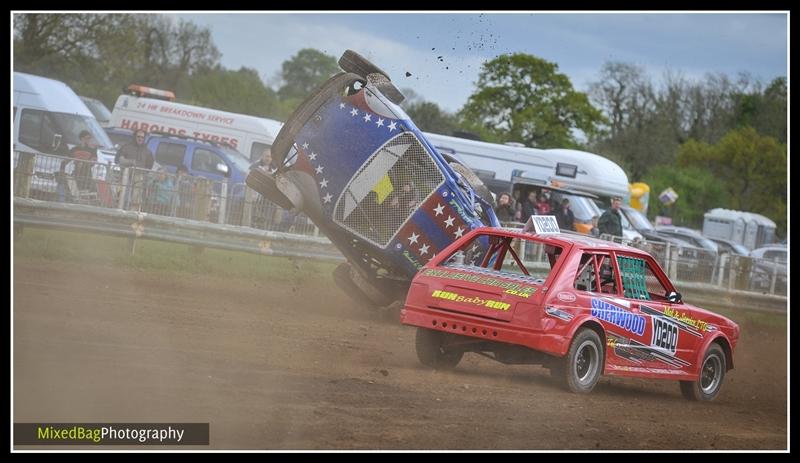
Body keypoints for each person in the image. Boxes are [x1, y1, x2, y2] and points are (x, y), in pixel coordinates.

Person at [57, 130, 97, 201]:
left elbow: (93, 162)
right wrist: (61, 171)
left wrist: (84, 163)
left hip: (87, 175)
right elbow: (65, 161)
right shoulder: (75, 149)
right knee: (74, 193)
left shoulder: (92, 150)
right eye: (87, 138)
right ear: (82, 138)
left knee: (85, 193)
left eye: (89, 138)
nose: (89, 140)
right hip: (76, 174)